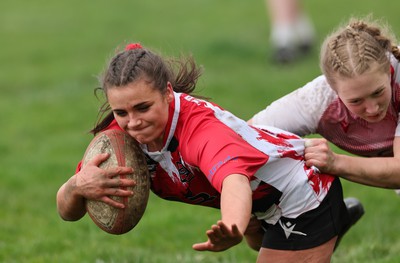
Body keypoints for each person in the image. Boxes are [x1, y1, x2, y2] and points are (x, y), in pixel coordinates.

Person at [57, 43, 352, 262]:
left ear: (168, 93)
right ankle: (332, 226)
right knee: (262, 242)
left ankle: (329, 221)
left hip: (303, 193)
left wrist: (232, 225)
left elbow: (234, 181)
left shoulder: (199, 128)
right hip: (261, 208)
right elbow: (66, 211)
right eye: (121, 112)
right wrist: (77, 184)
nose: (133, 122)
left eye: (143, 108)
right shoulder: (119, 138)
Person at [249, 16, 400, 191]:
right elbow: (243, 138)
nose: (372, 108)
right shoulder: (317, 100)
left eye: (378, 92)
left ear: (389, 71)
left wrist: (335, 162)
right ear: (333, 89)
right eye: (356, 100)